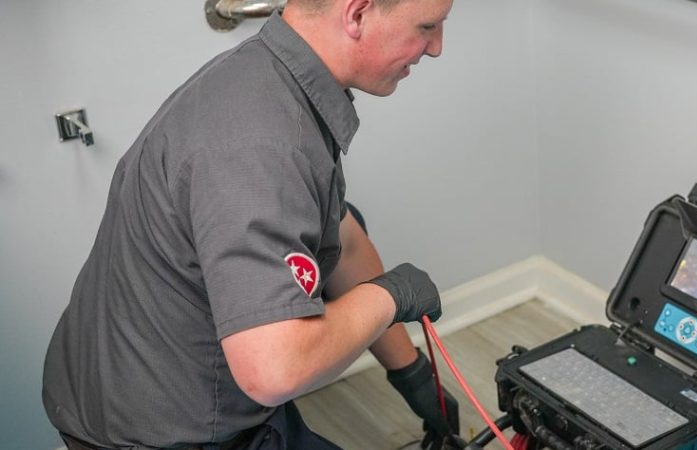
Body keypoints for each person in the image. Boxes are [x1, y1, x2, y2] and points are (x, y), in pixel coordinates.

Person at [42, 0, 460, 448]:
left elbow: (344, 239)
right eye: (427, 26)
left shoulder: (268, 77)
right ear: (356, 14)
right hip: (156, 432)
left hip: (137, 371)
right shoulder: (262, 147)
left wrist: (412, 374)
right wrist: (391, 296)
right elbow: (275, 369)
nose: (435, 47)